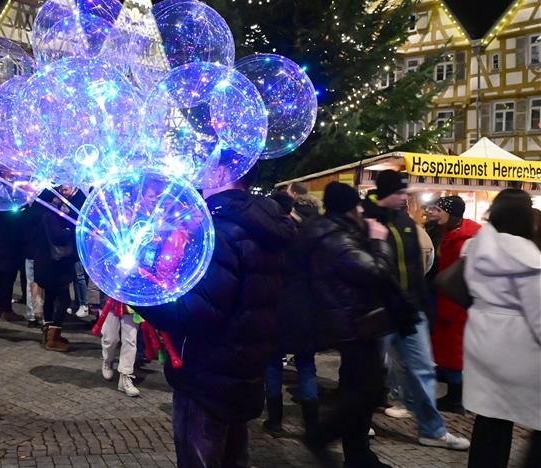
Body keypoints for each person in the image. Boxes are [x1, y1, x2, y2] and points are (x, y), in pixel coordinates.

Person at [132, 160, 296, 466]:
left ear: (223, 173)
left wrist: (140, 295)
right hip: (244, 369)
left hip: (207, 373)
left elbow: (196, 313)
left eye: (207, 165)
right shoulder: (266, 226)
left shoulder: (218, 231)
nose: (199, 172)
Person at [302, 182, 407, 468]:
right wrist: (378, 241)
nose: (362, 209)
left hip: (353, 321)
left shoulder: (329, 230)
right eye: (358, 205)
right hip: (352, 324)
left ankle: (359, 456)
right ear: (350, 208)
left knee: (356, 390)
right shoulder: (336, 238)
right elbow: (375, 272)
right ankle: (321, 436)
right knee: (368, 391)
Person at [363, 170, 470, 451]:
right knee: (370, 371)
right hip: (380, 310)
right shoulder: (367, 219)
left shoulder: (404, 221)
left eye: (404, 193)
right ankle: (358, 424)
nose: (403, 198)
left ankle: (432, 430)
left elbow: (414, 268)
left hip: (410, 310)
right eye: (398, 193)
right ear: (385, 193)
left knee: (423, 369)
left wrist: (423, 305)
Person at [462, 189, 541, 468]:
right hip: (517, 347)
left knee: (491, 418)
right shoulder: (527, 260)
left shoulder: (480, 246)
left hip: (482, 338)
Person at [264, 190, 319, 438]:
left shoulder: (279, 235)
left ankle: (275, 421)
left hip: (278, 305)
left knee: (273, 363)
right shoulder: (314, 237)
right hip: (306, 307)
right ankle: (312, 424)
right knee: (306, 365)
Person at [426, 196, 480, 414]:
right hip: (449, 301)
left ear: (452, 214)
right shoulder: (451, 235)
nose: (432, 212)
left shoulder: (464, 240)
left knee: (455, 354)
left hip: (456, 305)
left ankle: (456, 399)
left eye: (438, 209)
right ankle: (454, 395)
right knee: (450, 353)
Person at [36, 194, 77, 351]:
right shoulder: (50, 214)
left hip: (44, 264)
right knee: (65, 300)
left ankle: (48, 331)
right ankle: (53, 337)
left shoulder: (40, 212)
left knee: (50, 297)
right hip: (54, 266)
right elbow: (58, 237)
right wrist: (69, 229)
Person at [0, 208, 26, 322]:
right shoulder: (8, 209)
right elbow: (15, 227)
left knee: (1, 276)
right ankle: (6, 310)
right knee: (7, 278)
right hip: (9, 247)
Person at [59, 184, 90, 318]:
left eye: (65, 189)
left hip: (79, 242)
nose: (63, 192)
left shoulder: (79, 200)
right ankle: (78, 302)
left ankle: (84, 304)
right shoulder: (72, 199)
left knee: (79, 274)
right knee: (76, 274)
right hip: (73, 242)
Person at [100, 298, 140, 397]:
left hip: (133, 300)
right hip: (110, 299)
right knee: (110, 338)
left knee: (130, 340)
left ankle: (125, 375)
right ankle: (108, 360)